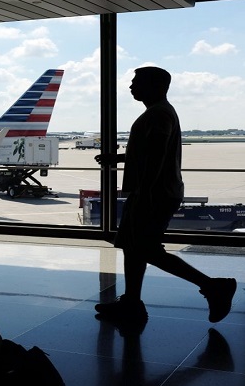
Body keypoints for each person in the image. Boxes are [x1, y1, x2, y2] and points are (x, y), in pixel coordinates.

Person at [93, 66, 237, 327]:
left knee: (146, 249)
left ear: (156, 86)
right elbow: (151, 152)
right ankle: (132, 302)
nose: (131, 86)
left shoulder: (158, 115)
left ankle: (213, 286)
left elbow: (157, 157)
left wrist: (146, 192)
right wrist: (120, 159)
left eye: (136, 82)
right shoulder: (157, 113)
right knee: (134, 247)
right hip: (150, 192)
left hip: (153, 194)